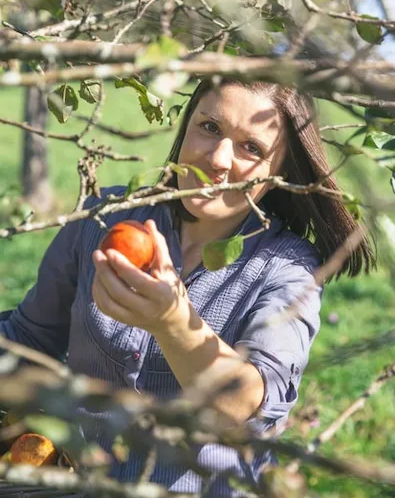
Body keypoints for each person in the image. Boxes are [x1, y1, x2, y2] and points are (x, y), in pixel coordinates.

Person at [0, 79, 374, 496]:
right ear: (185, 127)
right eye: (210, 127)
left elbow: (245, 401)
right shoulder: (104, 218)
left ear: (279, 172)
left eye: (251, 147)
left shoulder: (287, 269)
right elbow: (28, 338)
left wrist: (173, 322)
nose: (218, 158)